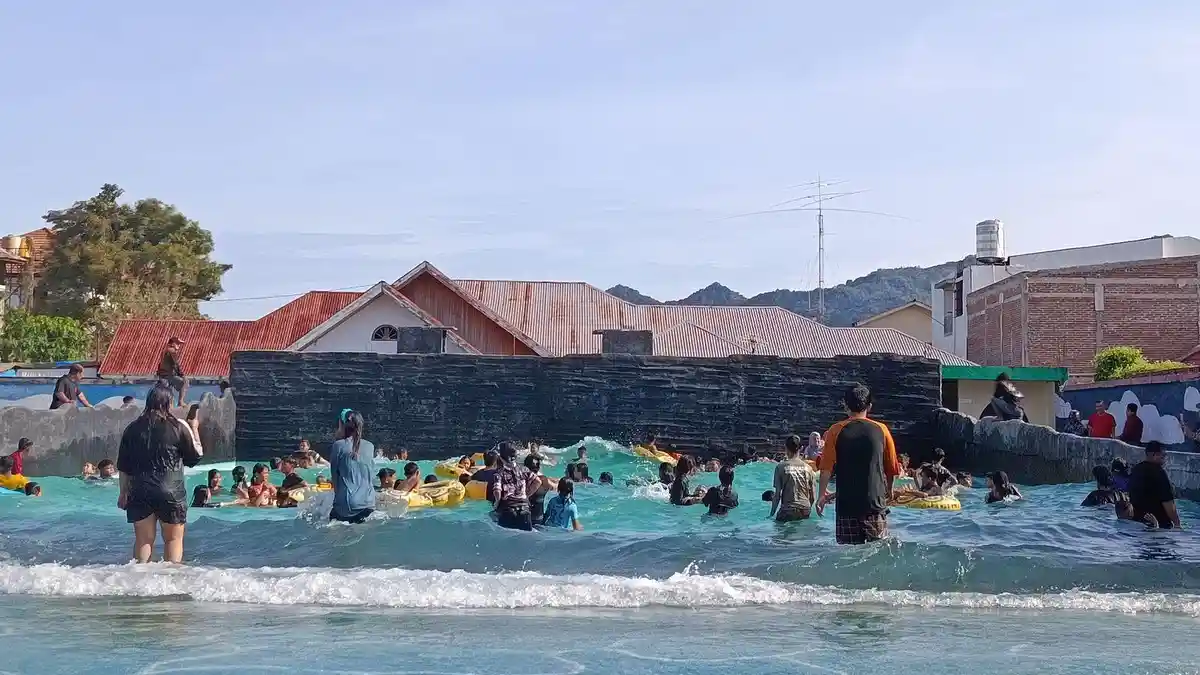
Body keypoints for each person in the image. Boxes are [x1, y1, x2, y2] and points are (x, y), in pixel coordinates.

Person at [116, 386, 203, 563]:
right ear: (169, 403)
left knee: (143, 540)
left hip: (140, 490)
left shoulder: (132, 428)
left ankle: (138, 576)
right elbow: (195, 457)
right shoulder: (179, 426)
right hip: (171, 490)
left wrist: (123, 493)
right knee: (173, 540)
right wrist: (194, 428)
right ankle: (170, 578)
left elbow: (124, 466)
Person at [816, 383, 902, 545]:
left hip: (847, 508)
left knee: (848, 554)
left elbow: (826, 468)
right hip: (875, 505)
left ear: (845, 406)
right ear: (869, 406)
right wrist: (889, 490)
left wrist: (821, 495)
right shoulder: (882, 429)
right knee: (878, 551)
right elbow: (891, 467)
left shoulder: (835, 430)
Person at [328, 409, 377, 523]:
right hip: (369, 503)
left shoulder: (338, 446)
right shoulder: (370, 446)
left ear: (342, 426)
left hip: (348, 505)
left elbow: (335, 480)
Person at [489, 441, 542, 531]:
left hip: (508, 509)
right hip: (525, 510)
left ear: (501, 457)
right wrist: (526, 495)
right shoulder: (524, 469)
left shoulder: (499, 473)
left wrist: (497, 502)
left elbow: (497, 491)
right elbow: (537, 481)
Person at [1129, 441, 1181, 529]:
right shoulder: (1160, 473)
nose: (1165, 458)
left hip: (1137, 523)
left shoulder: (1135, 470)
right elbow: (1168, 502)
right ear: (1154, 455)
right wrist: (1177, 524)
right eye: (1163, 455)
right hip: (1160, 525)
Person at [770, 435, 817, 522]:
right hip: (805, 510)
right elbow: (813, 497)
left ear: (786, 448)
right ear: (801, 448)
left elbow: (777, 496)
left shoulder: (780, 467)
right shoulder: (809, 469)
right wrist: (806, 509)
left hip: (788, 510)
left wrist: (771, 514)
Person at [157, 337, 188, 406]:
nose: (179, 346)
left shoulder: (164, 350)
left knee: (170, 389)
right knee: (185, 381)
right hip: (168, 376)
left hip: (162, 375)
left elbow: (160, 364)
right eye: (178, 344)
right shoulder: (172, 351)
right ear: (173, 344)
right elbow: (175, 364)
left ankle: (170, 404)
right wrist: (181, 375)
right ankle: (181, 401)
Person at [524, 454, 553, 525]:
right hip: (539, 519)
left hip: (524, 518)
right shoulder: (544, 480)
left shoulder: (522, 479)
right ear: (539, 467)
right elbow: (553, 487)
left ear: (525, 466)